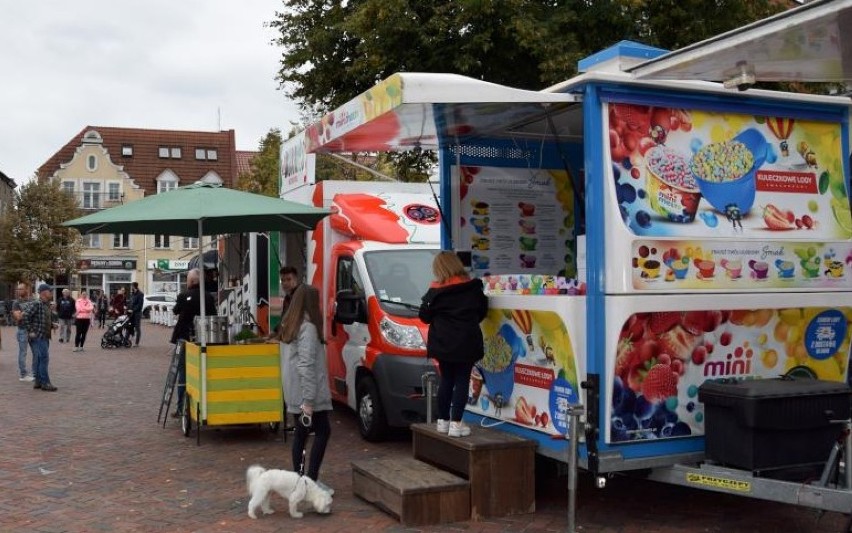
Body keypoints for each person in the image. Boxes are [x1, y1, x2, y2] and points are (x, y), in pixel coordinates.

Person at [418, 251, 488, 437]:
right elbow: (482, 311)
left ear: (439, 268)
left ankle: (443, 421)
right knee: (462, 380)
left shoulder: (435, 291)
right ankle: (457, 424)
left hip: (442, 342)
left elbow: (424, 316)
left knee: (446, 380)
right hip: (466, 341)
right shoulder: (473, 287)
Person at [279, 284, 333, 490]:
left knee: (301, 434)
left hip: (294, 392)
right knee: (321, 431)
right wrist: (309, 400)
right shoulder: (308, 328)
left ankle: (301, 480)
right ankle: (309, 481)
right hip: (307, 394)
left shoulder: (290, 325)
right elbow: (306, 365)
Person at [170, 269, 217, 416]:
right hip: (203, 339)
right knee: (202, 371)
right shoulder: (208, 297)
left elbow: (175, 311)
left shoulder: (183, 295)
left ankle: (181, 408)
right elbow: (213, 315)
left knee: (183, 372)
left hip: (184, 337)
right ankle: (202, 403)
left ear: (191, 282)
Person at [22, 284, 59, 391]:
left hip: (44, 335)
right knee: (44, 358)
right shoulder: (37, 304)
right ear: (44, 292)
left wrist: (52, 325)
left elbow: (41, 320)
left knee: (39, 359)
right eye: (49, 291)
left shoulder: (45, 305)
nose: (51, 293)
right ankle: (45, 383)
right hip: (39, 336)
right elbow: (25, 316)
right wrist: (30, 331)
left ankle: (38, 381)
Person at [265, 266, 301, 341]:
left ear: (295, 279)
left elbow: (293, 321)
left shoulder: (300, 297)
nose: (285, 283)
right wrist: (273, 332)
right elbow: (283, 320)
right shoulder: (287, 298)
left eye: (288, 279)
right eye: (282, 280)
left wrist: (278, 338)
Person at [12, 284, 35, 381]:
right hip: (22, 330)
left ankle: (35, 372)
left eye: (21, 289)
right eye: (18, 289)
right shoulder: (16, 303)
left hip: (32, 330)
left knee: (36, 352)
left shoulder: (32, 301)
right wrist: (27, 311)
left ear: (27, 289)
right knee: (23, 352)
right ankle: (23, 374)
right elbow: (18, 317)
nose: (19, 290)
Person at [128, 282, 144, 346]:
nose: (131, 287)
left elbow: (140, 305)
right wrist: (127, 308)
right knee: (129, 326)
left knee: (137, 328)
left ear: (134, 286)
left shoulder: (140, 294)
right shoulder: (132, 294)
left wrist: (133, 310)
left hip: (137, 313)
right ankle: (127, 340)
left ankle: (137, 343)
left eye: (132, 286)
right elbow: (130, 303)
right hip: (131, 313)